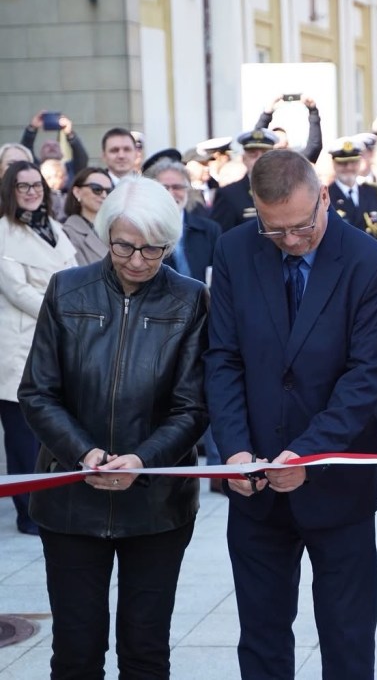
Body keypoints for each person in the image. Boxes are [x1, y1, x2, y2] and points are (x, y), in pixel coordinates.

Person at [205, 149, 377, 679]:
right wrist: (235, 449)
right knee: (262, 638)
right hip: (255, 482)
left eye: (300, 227)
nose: (290, 241)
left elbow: (366, 378)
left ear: (324, 199)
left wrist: (308, 454)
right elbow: (223, 358)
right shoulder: (234, 250)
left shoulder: (370, 264)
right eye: (275, 230)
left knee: (347, 640)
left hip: (338, 485)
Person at [19, 175, 207, 678]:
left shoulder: (190, 299)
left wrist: (142, 459)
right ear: (105, 234)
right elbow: (37, 392)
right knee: (76, 652)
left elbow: (192, 406)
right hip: (71, 499)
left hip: (156, 503)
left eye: (153, 249)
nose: (138, 260)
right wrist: (85, 454)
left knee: (145, 651)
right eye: (124, 245)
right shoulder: (67, 289)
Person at [0, 160, 78, 535]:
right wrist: (63, 313)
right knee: (22, 436)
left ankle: (49, 504)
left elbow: (74, 275)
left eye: (37, 185)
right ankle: (26, 513)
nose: (31, 192)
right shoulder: (3, 231)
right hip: (19, 345)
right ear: (10, 191)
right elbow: (17, 291)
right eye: (23, 186)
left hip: (58, 341)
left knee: (51, 431)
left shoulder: (54, 228)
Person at [327, 137, 377, 250]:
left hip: (374, 256)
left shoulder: (373, 192)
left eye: (353, 162)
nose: (349, 167)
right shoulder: (326, 196)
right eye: (343, 163)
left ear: (360, 162)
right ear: (333, 164)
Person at [210, 129, 278, 233]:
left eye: (265, 154)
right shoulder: (229, 195)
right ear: (244, 159)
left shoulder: (288, 189)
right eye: (253, 155)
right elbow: (221, 237)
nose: (259, 160)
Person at [62, 166, 114, 265]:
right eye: (97, 189)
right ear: (77, 192)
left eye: (108, 191)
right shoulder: (67, 233)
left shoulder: (116, 228)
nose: (104, 195)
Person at [253, 93, 323, 163]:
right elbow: (256, 141)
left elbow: (314, 147)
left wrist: (313, 111)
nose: (280, 150)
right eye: (277, 141)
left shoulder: (295, 164)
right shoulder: (263, 164)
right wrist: (267, 112)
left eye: (283, 146)